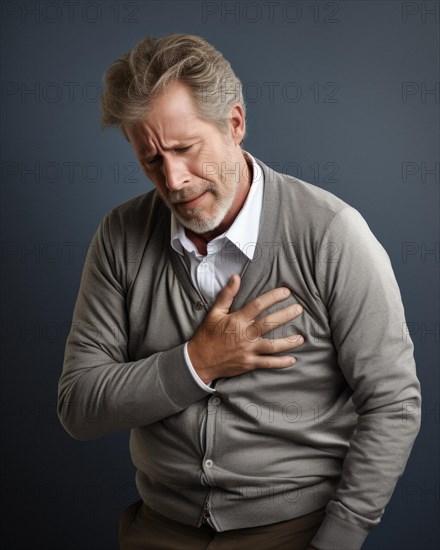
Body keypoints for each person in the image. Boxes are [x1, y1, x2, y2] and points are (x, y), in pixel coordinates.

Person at [57, 33, 422, 550]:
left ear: (234, 123)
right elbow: (79, 407)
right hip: (158, 528)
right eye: (150, 159)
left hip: (296, 532)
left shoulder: (331, 233)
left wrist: (339, 539)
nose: (174, 180)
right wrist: (197, 363)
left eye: (185, 149)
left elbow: (394, 402)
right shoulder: (119, 237)